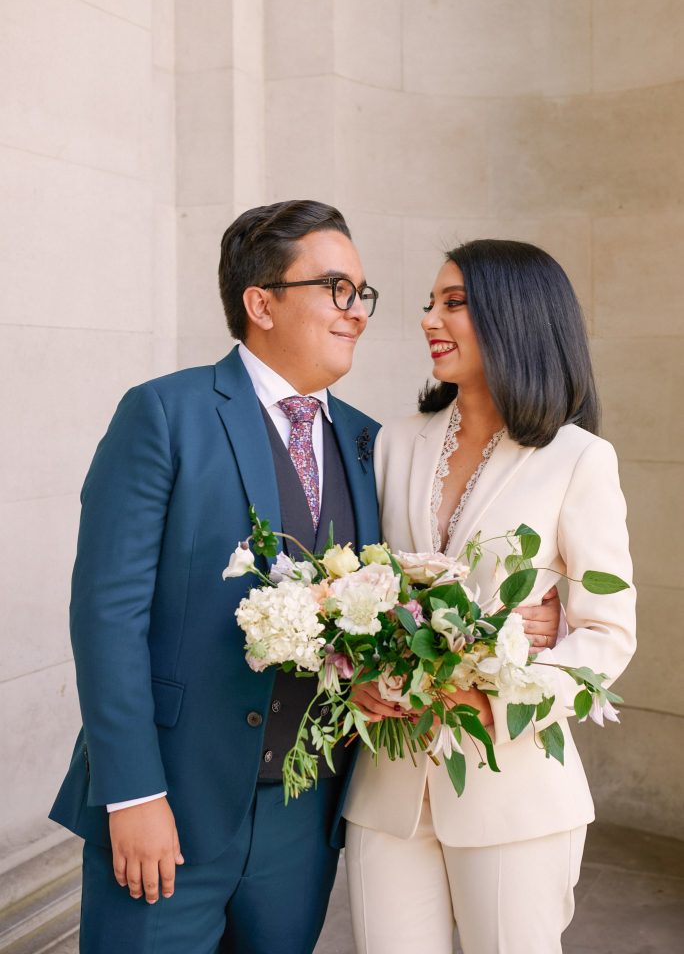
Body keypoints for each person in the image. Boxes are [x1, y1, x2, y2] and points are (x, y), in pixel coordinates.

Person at [49, 206, 560, 954]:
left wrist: (520, 624)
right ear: (261, 303)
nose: (356, 312)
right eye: (334, 288)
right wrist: (134, 794)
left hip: (303, 814)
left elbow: (405, 589)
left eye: (361, 292)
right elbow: (105, 618)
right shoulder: (164, 412)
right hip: (169, 803)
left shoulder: (369, 442)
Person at [345, 239, 637, 954]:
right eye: (429, 303)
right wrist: (357, 673)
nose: (428, 319)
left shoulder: (577, 459)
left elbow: (609, 633)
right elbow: (367, 590)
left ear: (514, 317)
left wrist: (496, 698)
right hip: (390, 789)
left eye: (454, 302)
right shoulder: (393, 444)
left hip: (516, 793)